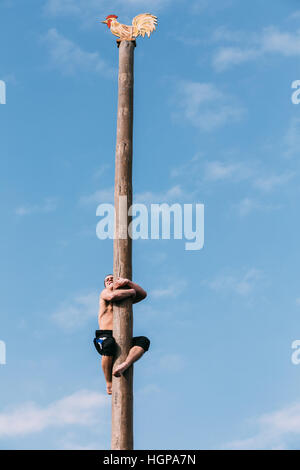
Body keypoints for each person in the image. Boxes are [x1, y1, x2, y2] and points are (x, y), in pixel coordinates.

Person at [93, 274, 150, 395]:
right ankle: (109, 383)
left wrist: (128, 282)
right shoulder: (104, 293)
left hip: (123, 336)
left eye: (111, 278)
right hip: (104, 335)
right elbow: (113, 296)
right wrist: (131, 292)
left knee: (144, 341)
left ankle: (126, 364)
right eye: (106, 280)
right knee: (109, 344)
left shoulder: (125, 296)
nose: (109, 280)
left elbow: (143, 294)